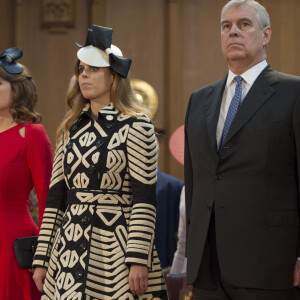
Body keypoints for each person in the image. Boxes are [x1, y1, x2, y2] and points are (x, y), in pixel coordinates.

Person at [32, 25, 168, 299]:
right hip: (68, 250)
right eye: (81, 69)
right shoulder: (69, 128)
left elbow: (144, 197)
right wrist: (42, 258)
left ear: (114, 77)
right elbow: (56, 198)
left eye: (93, 69)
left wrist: (139, 257)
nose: (84, 75)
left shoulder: (137, 125)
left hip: (116, 251)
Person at [184, 0, 300, 299]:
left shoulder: (293, 93)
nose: (233, 32)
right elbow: (196, 181)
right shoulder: (199, 100)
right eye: (226, 26)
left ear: (266, 34)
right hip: (208, 266)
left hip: (270, 263)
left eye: (244, 24)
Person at [0, 47, 53, 300]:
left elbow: (48, 198)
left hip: (13, 246)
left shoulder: (31, 134)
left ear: (17, 88)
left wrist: (44, 257)